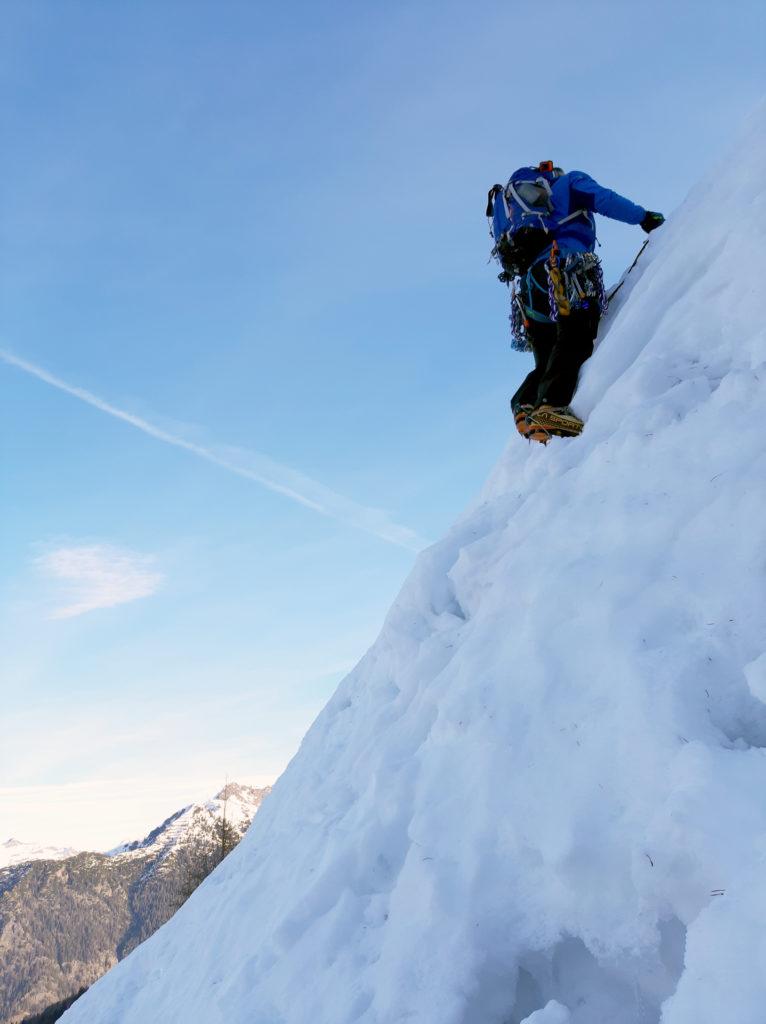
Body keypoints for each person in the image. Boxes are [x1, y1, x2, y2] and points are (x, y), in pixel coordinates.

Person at [487, 163, 664, 441]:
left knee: (547, 353)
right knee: (576, 336)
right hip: (565, 270)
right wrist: (643, 217)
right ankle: (552, 407)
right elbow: (604, 199)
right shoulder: (569, 183)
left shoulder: (516, 217)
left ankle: (525, 406)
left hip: (531, 290)